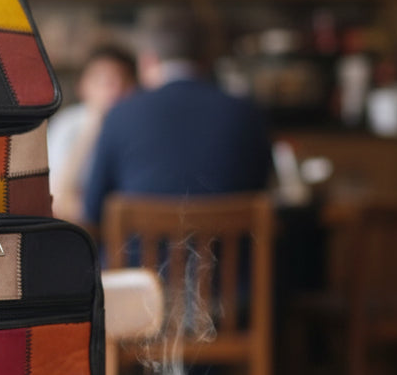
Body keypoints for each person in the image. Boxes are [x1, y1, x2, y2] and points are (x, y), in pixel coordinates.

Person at [80, 11, 272, 228]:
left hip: (138, 261)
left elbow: (93, 210)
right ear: (207, 60)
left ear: (148, 61)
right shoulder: (245, 112)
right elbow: (263, 192)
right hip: (224, 260)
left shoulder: (120, 114)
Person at [47, 45, 137, 222]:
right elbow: (56, 196)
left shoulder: (140, 125)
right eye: (103, 80)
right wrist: (94, 125)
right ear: (82, 85)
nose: (115, 89)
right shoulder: (67, 124)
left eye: (123, 80)